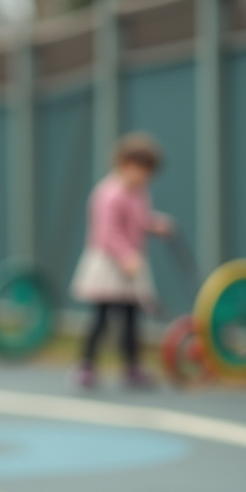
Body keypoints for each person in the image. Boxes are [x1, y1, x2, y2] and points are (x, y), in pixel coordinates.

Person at [69, 132, 174, 388]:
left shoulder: (139, 193)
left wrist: (153, 224)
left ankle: (132, 366)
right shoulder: (109, 193)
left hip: (130, 264)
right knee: (102, 318)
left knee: (131, 318)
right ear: (125, 164)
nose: (145, 178)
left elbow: (135, 221)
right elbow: (108, 232)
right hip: (109, 264)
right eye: (142, 170)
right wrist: (126, 256)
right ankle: (86, 365)